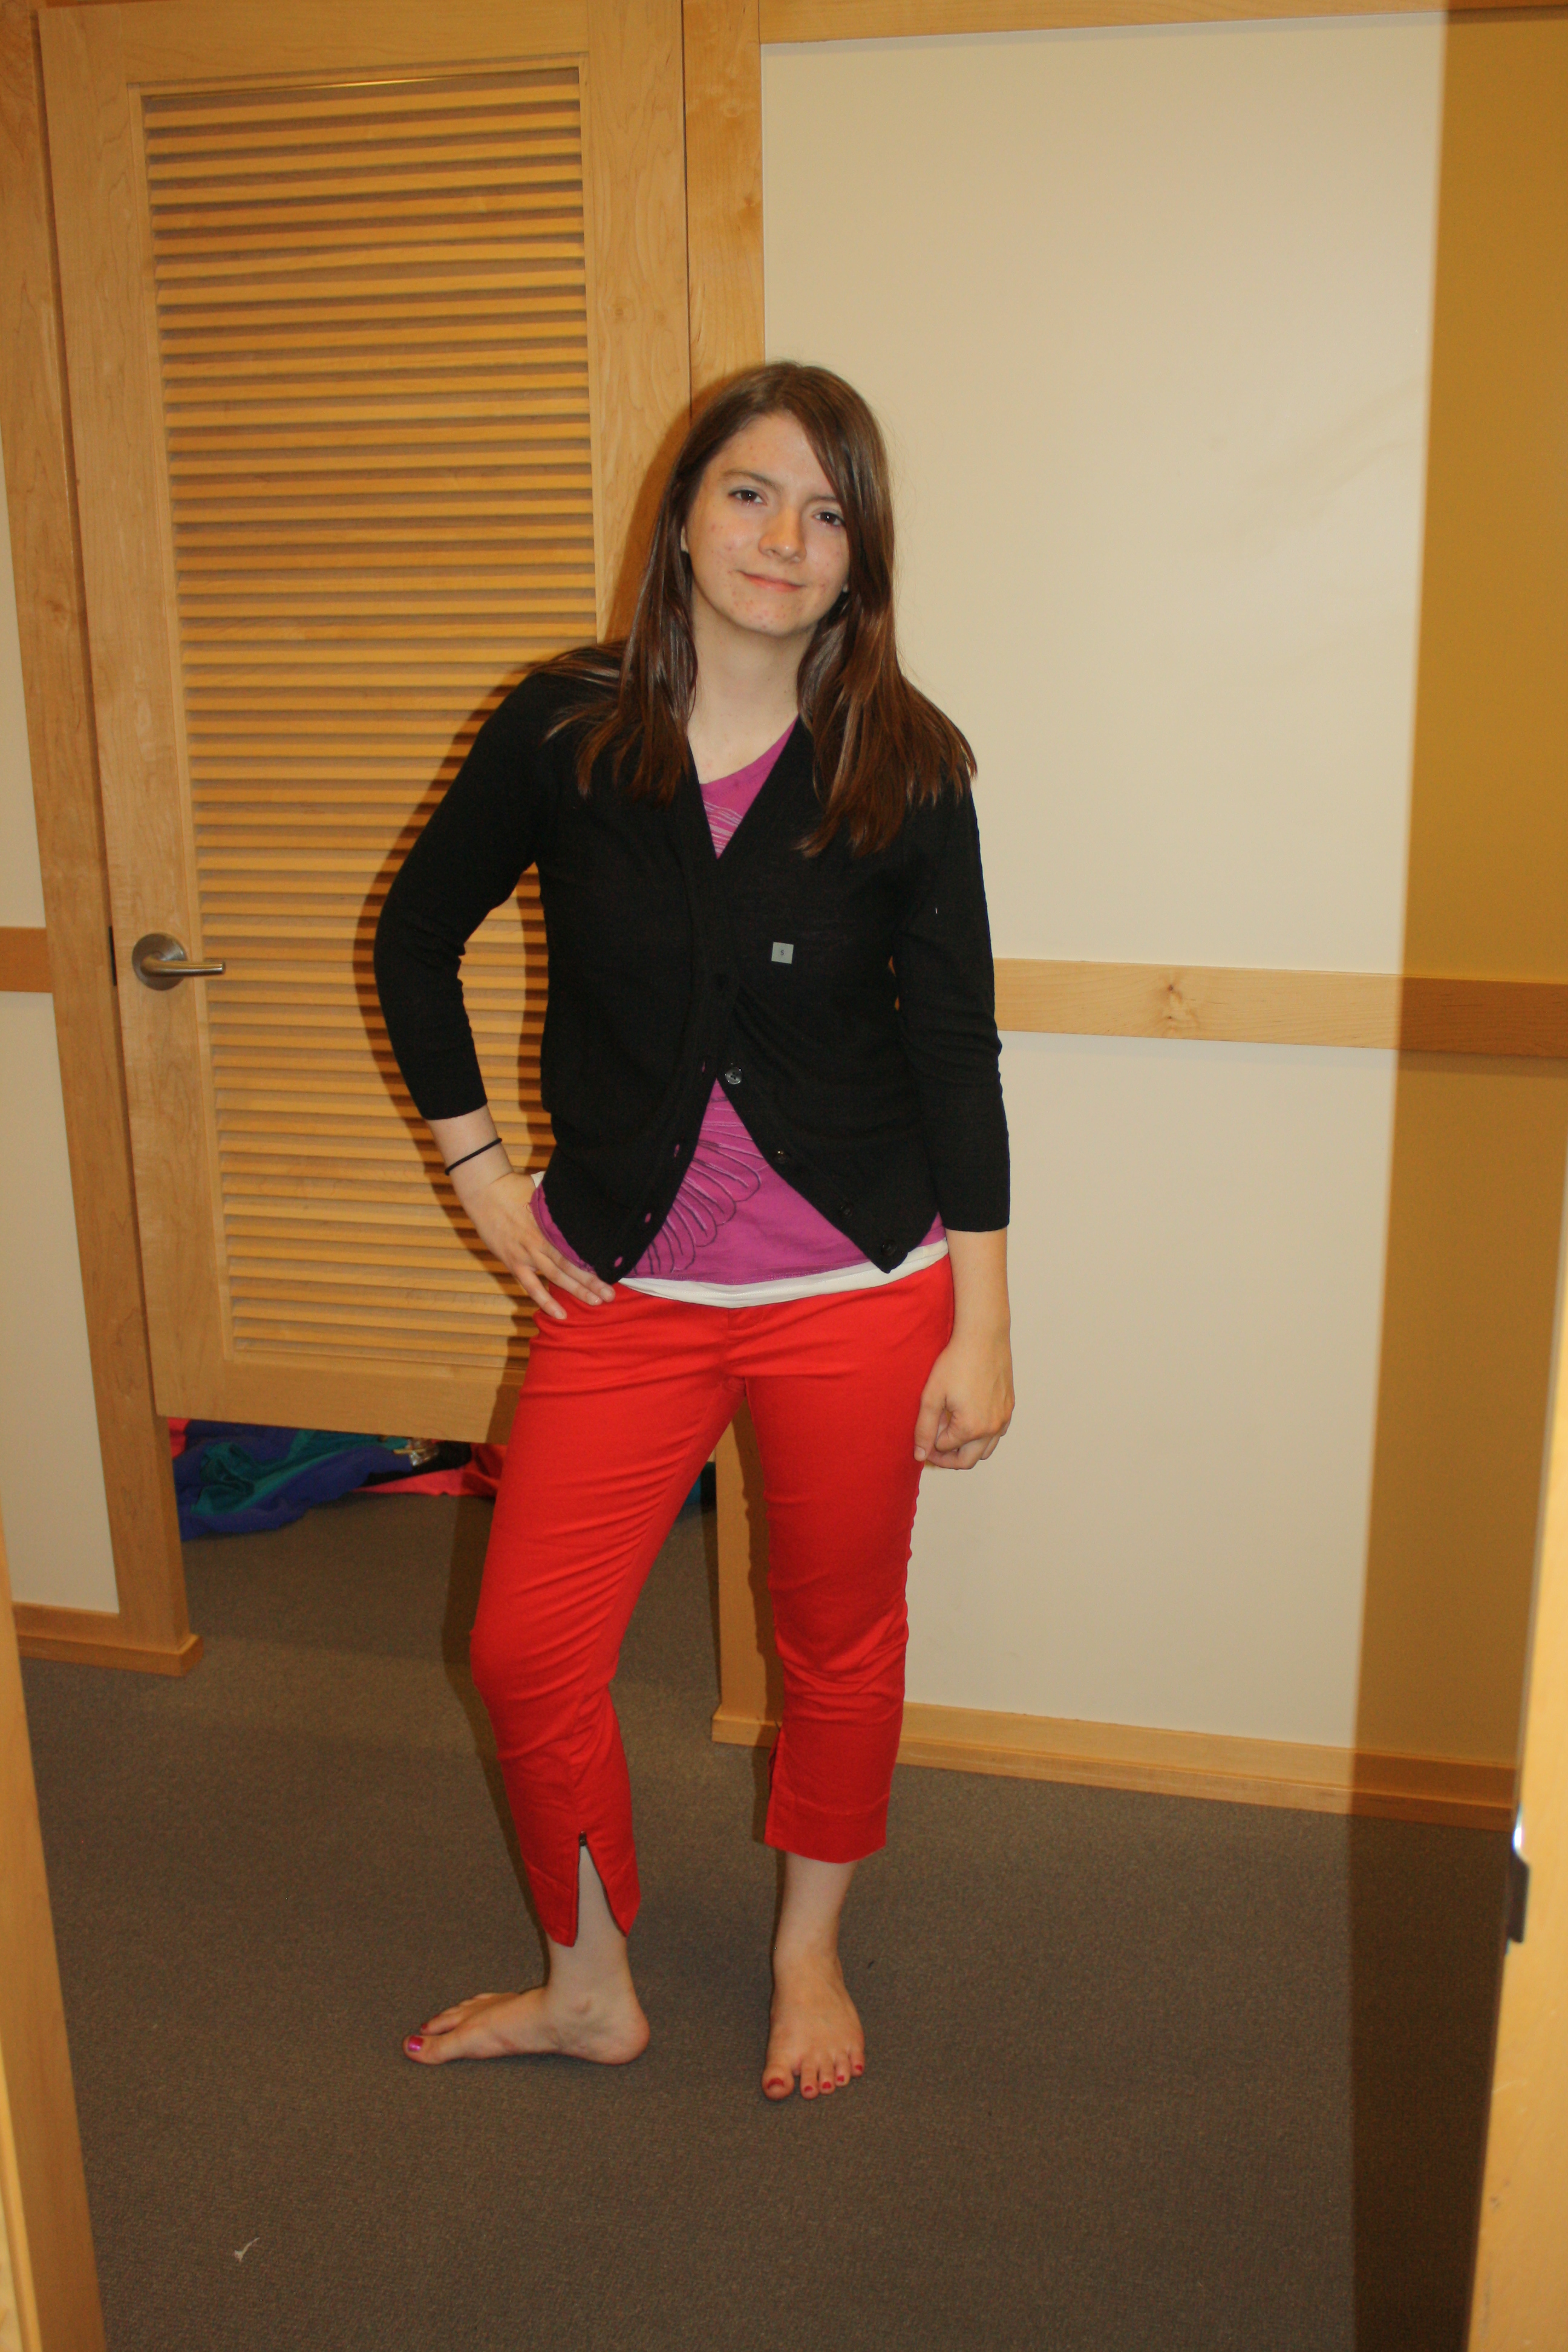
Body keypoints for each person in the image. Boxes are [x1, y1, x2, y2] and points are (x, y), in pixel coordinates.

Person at [374, 362, 1012, 2101]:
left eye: (828, 511)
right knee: (525, 1652)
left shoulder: (908, 763)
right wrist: (479, 1174)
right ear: (684, 515)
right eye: (751, 492)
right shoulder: (567, 731)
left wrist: (983, 1322)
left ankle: (809, 1951)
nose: (784, 537)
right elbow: (414, 937)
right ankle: (589, 1986)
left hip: (859, 1292)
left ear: (862, 555)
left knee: (837, 1640)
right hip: (622, 1290)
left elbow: (956, 1045)